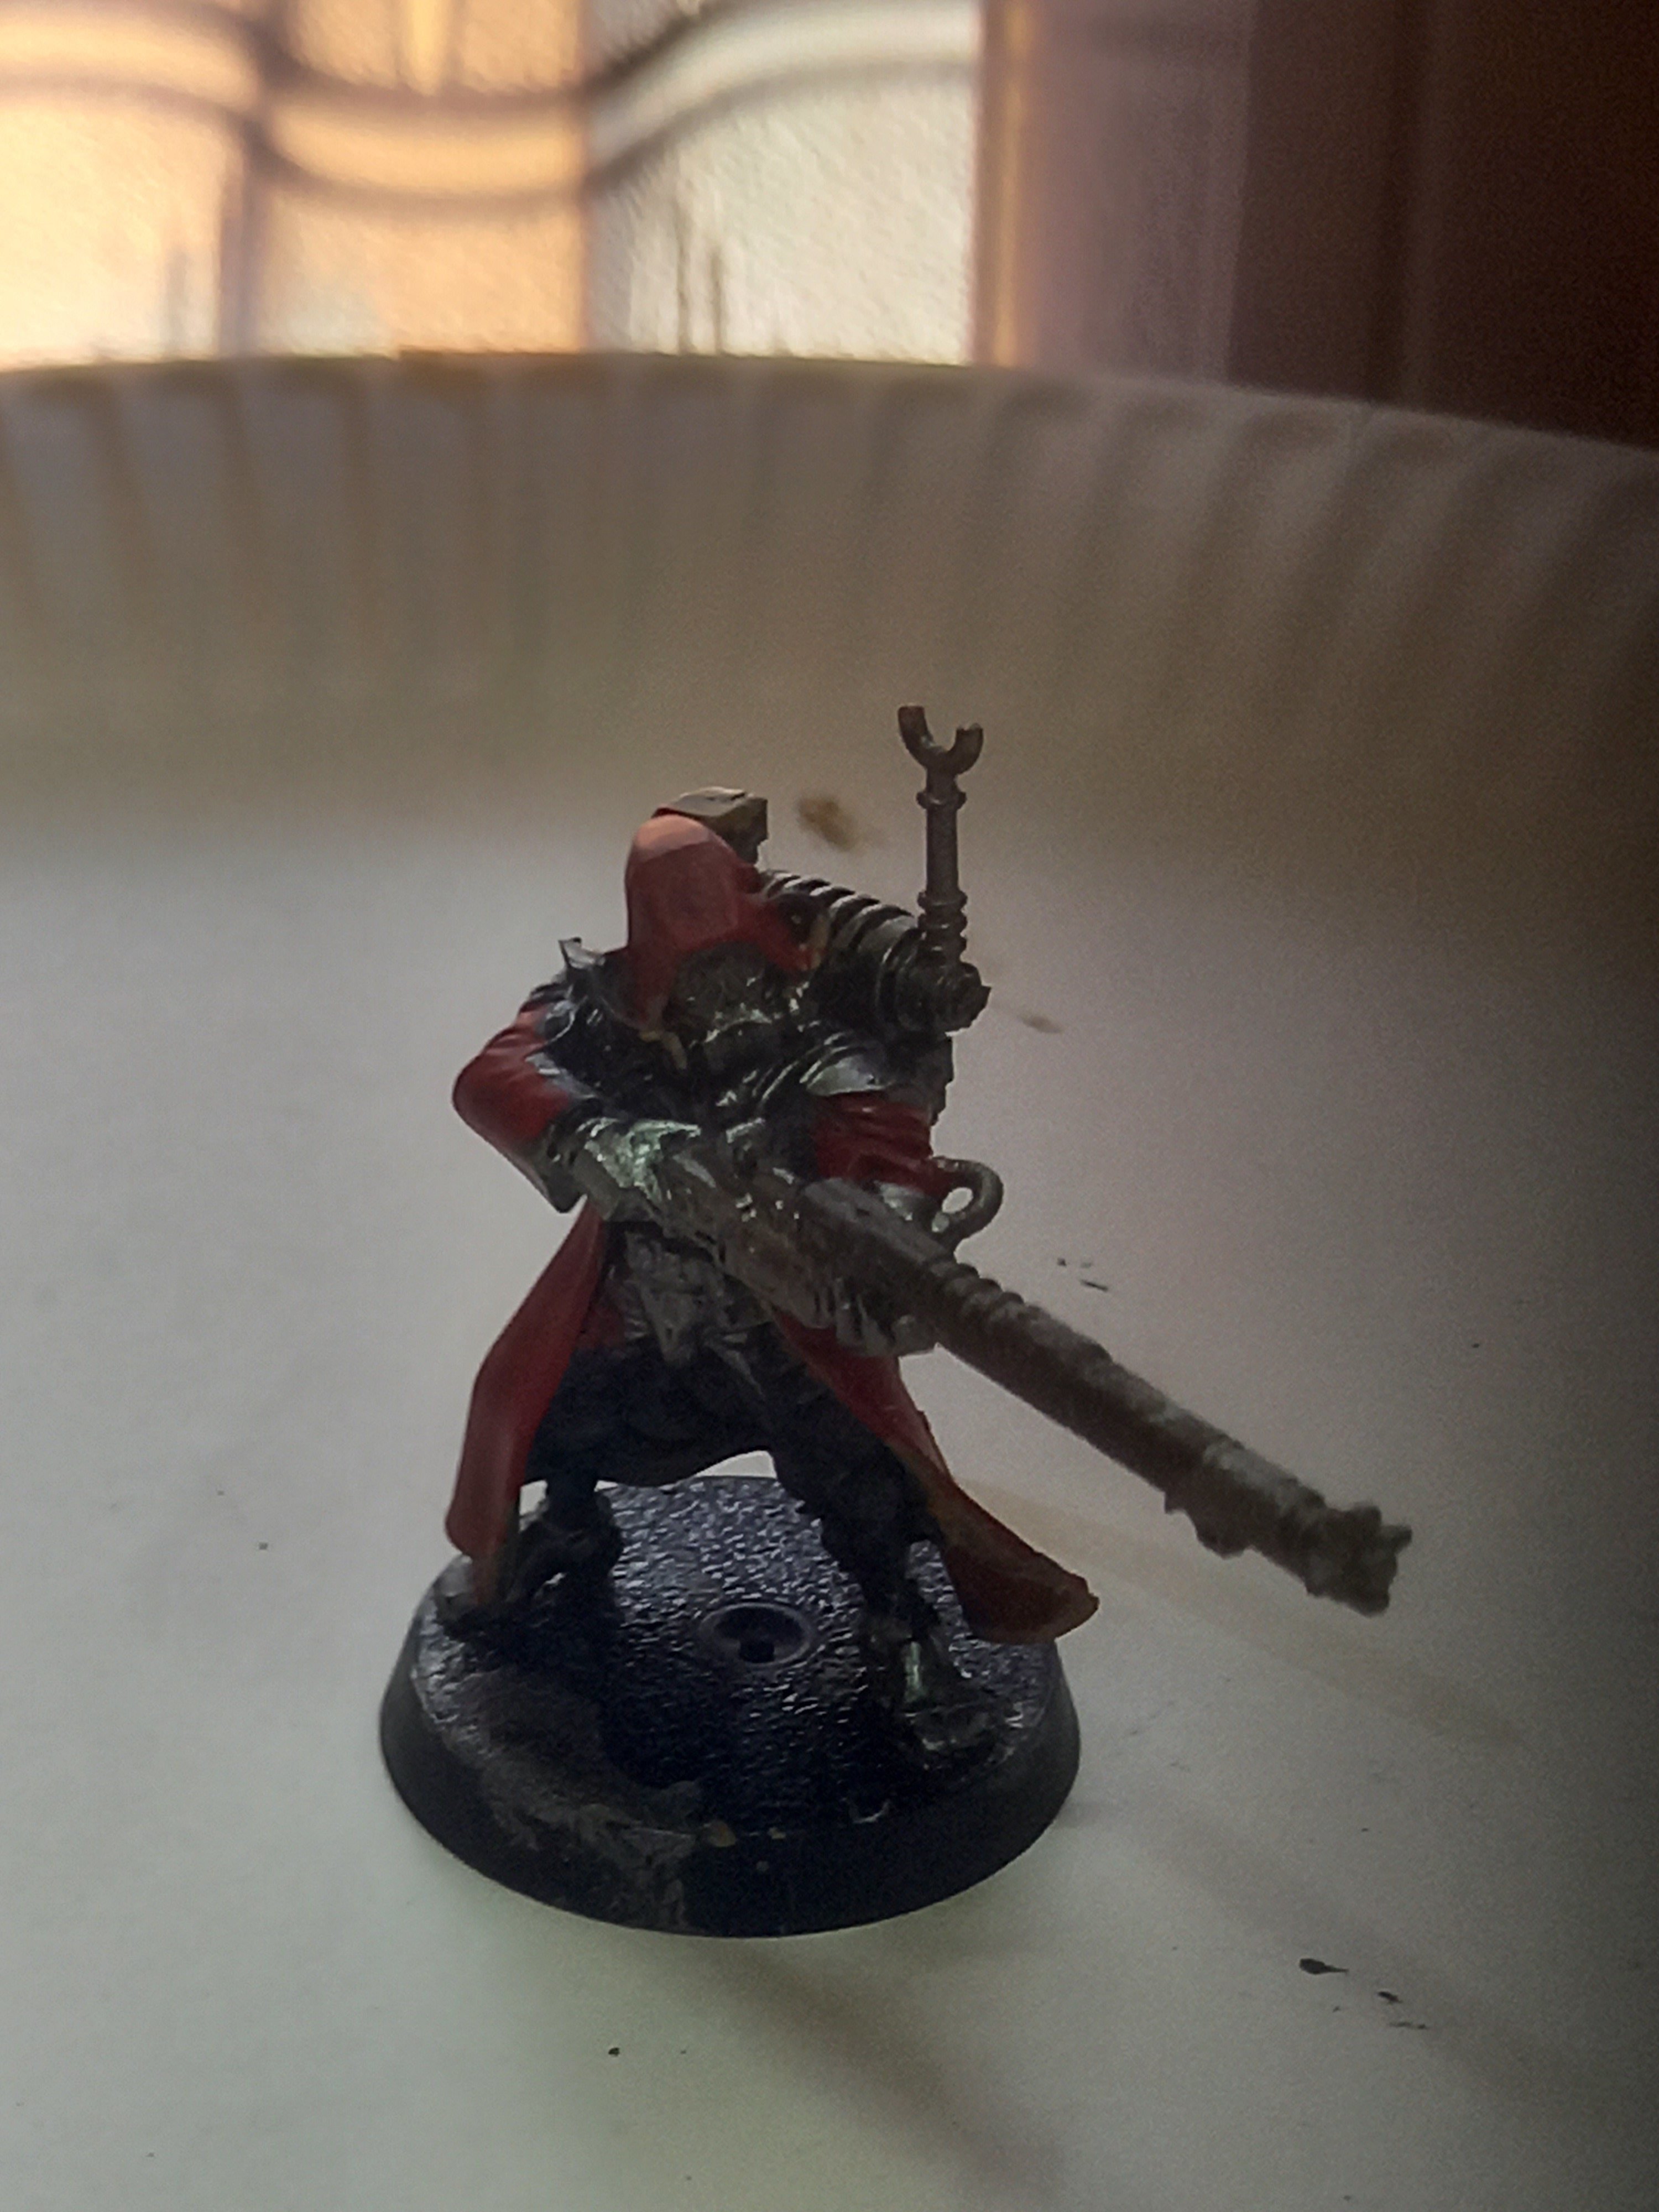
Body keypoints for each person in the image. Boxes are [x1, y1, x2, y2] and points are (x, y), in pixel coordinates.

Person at [442, 791, 1095, 1762]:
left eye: (738, 969)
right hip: (637, 1299)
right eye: (696, 973)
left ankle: (902, 1635)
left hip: (779, 1319)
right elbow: (494, 1074)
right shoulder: (598, 1015)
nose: (724, 1000)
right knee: (551, 1417)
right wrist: (616, 1145)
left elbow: (886, 1137)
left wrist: (894, 1235)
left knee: (860, 1481)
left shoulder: (816, 1044)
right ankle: (571, 1531)